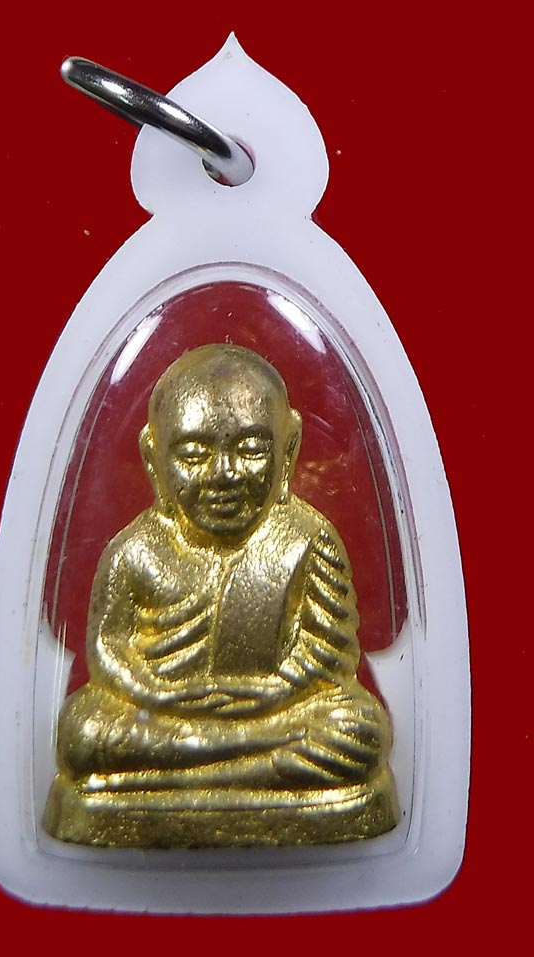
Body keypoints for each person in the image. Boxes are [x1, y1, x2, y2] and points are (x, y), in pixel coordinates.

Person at [44, 344, 397, 844]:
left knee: (358, 729)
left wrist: (273, 693)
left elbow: (329, 655)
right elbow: (109, 648)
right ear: (153, 458)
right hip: (163, 714)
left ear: (289, 450)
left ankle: (193, 775)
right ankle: (245, 767)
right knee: (83, 731)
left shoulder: (307, 541)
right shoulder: (134, 551)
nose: (224, 474)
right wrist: (155, 694)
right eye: (193, 454)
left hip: (277, 713)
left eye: (251, 449)